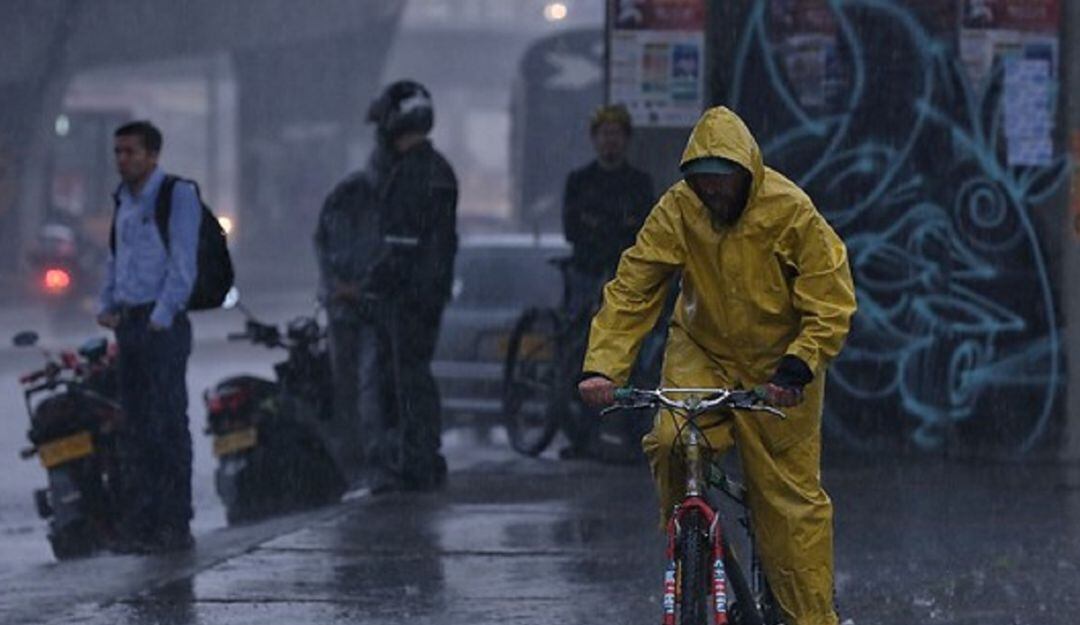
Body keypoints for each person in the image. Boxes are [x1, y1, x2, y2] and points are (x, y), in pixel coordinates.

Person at [578, 106, 857, 625]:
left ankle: (811, 619)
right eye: (702, 183)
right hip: (701, 351)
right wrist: (603, 367)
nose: (712, 194)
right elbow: (636, 285)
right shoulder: (679, 209)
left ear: (746, 174)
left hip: (779, 369)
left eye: (721, 183)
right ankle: (689, 539)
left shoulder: (789, 210)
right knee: (668, 442)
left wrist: (800, 364)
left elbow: (829, 296)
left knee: (790, 513)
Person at [320, 79, 458, 493]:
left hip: (405, 298)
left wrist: (358, 287)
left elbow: (401, 247)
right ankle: (422, 459)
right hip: (427, 292)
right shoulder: (438, 169)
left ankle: (409, 464)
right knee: (415, 377)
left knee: (399, 382)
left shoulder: (410, 175)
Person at [97, 121, 200, 553]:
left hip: (163, 323)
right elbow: (117, 257)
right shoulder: (123, 200)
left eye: (130, 152)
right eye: (118, 152)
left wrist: (162, 313)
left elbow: (183, 261)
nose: (122, 160)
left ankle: (174, 522)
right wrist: (108, 304)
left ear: (152, 155)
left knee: (167, 424)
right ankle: (144, 521)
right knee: (136, 426)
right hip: (130, 322)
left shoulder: (176, 195)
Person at [559, 104, 655, 459]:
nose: (609, 142)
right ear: (594, 140)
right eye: (604, 135)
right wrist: (612, 229)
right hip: (586, 272)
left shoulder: (638, 183)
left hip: (624, 276)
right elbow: (573, 229)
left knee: (632, 356)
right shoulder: (580, 181)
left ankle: (632, 435)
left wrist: (600, 226)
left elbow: (643, 231)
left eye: (616, 135)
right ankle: (583, 435)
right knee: (584, 354)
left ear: (626, 140)